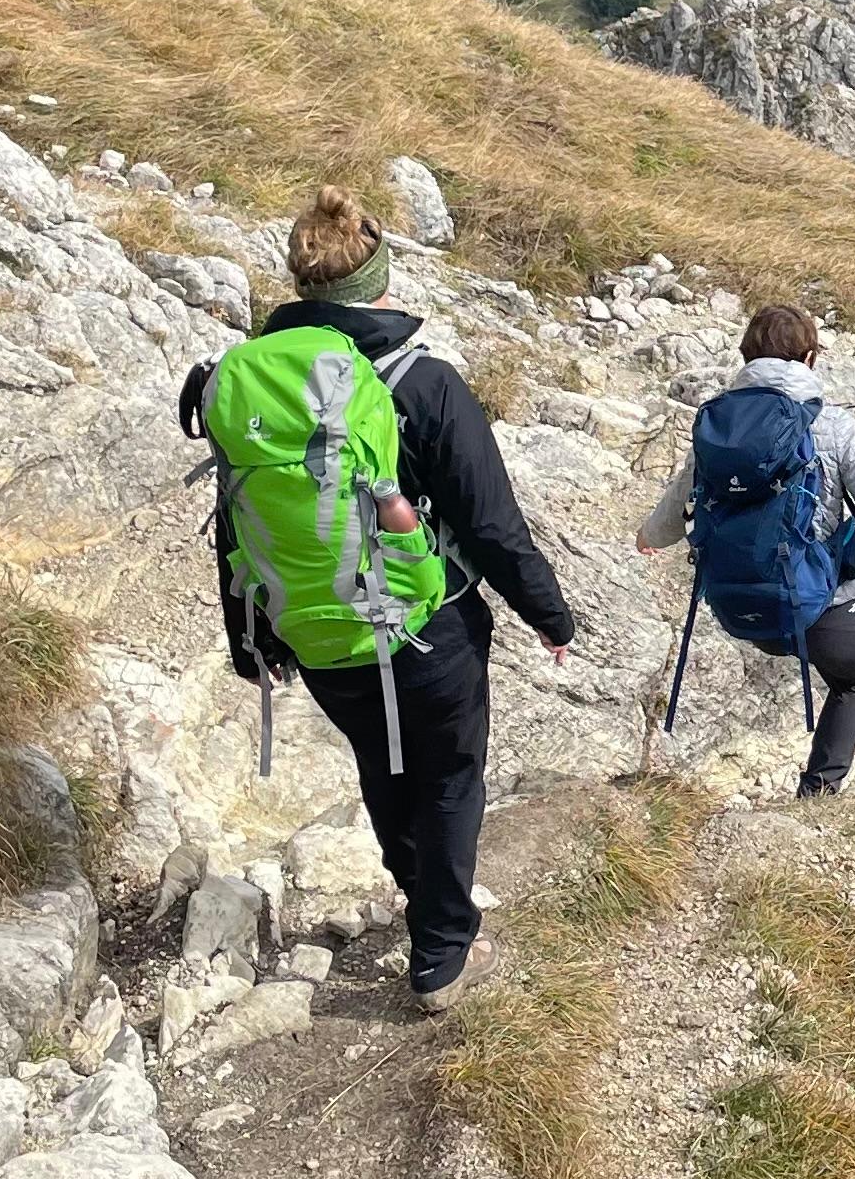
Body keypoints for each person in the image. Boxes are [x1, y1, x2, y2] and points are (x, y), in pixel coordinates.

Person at [180, 187, 575, 1014]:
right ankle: (441, 957)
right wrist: (550, 617)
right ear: (379, 281)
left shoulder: (253, 386)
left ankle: (425, 898)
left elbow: (235, 518)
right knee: (451, 776)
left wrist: (250, 639)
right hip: (430, 629)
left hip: (317, 635)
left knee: (383, 764)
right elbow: (492, 523)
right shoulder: (423, 383)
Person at [635, 305, 855, 796]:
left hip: (737, 606)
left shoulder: (718, 428)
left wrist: (648, 536)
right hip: (814, 608)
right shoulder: (832, 427)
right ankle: (818, 792)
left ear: (746, 356)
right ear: (811, 357)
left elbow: (675, 506)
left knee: (846, 655)